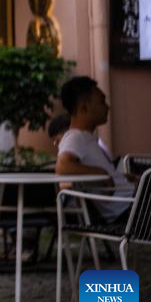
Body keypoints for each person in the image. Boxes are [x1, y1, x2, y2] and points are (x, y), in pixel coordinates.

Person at [55, 76, 134, 224]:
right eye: (101, 101)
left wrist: (122, 177)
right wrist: (100, 173)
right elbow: (63, 166)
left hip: (133, 204)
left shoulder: (86, 138)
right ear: (84, 107)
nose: (107, 106)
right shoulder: (75, 137)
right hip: (128, 211)